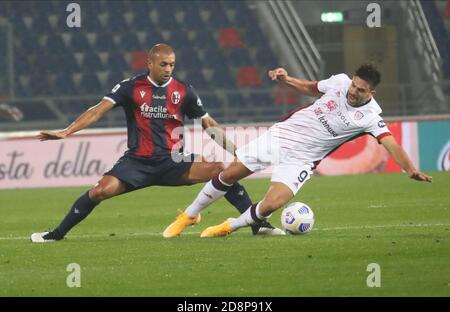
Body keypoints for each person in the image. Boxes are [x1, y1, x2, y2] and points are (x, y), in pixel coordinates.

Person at [31, 43, 284, 242]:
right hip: (137, 163)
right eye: (163, 64)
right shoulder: (131, 87)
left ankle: (256, 223)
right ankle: (56, 234)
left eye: (172, 65)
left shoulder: (184, 90)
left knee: (221, 170)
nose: (168, 69)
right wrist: (67, 131)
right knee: (98, 192)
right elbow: (98, 110)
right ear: (150, 63)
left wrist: (238, 152)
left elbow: (210, 125)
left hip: (174, 161)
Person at [167, 64, 433, 238]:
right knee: (230, 174)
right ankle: (189, 215)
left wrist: (410, 169)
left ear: (371, 92)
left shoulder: (371, 117)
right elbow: (311, 87)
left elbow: (391, 143)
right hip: (281, 136)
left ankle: (229, 226)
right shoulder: (339, 82)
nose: (353, 92)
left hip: (303, 158)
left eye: (360, 90)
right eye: (353, 85)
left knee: (273, 203)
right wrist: (286, 79)